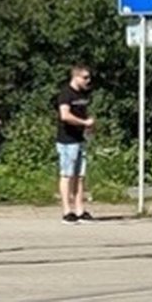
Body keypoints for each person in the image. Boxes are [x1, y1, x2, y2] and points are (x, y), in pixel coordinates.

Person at [56, 65, 95, 225]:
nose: (88, 80)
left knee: (80, 176)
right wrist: (84, 122)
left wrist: (89, 127)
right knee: (67, 175)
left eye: (88, 77)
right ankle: (67, 211)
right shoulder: (66, 94)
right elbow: (65, 115)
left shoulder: (83, 94)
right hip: (67, 140)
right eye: (85, 77)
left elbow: (83, 113)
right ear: (76, 77)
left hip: (80, 139)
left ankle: (80, 209)